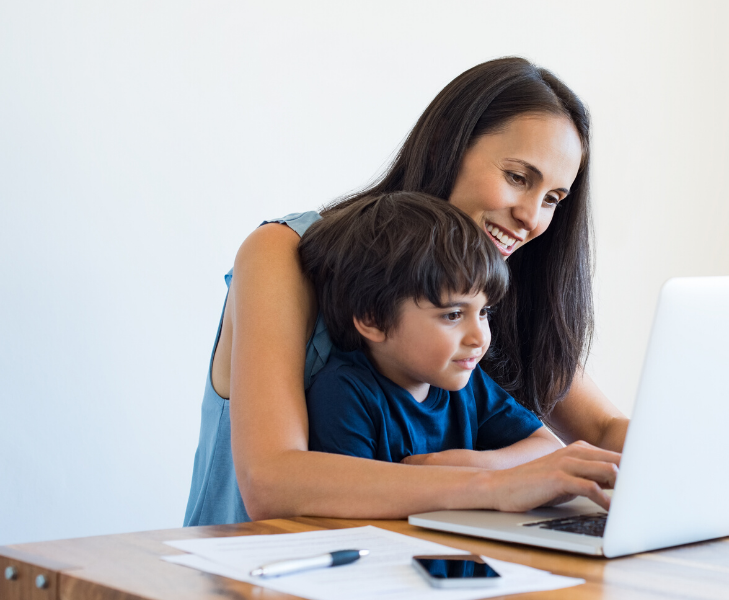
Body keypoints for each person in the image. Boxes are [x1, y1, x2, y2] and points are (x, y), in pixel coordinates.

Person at [185, 57, 629, 527]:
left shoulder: (489, 287)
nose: (533, 218)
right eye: (518, 177)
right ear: (446, 148)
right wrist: (495, 484)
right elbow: (272, 481)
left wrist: (697, 458)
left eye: (553, 200)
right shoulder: (285, 252)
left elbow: (600, 431)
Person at [300, 192, 563, 467]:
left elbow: (546, 447)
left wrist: (475, 467)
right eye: (453, 314)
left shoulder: (467, 382)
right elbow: (349, 495)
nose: (479, 338)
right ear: (373, 320)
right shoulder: (343, 394)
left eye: (484, 311)